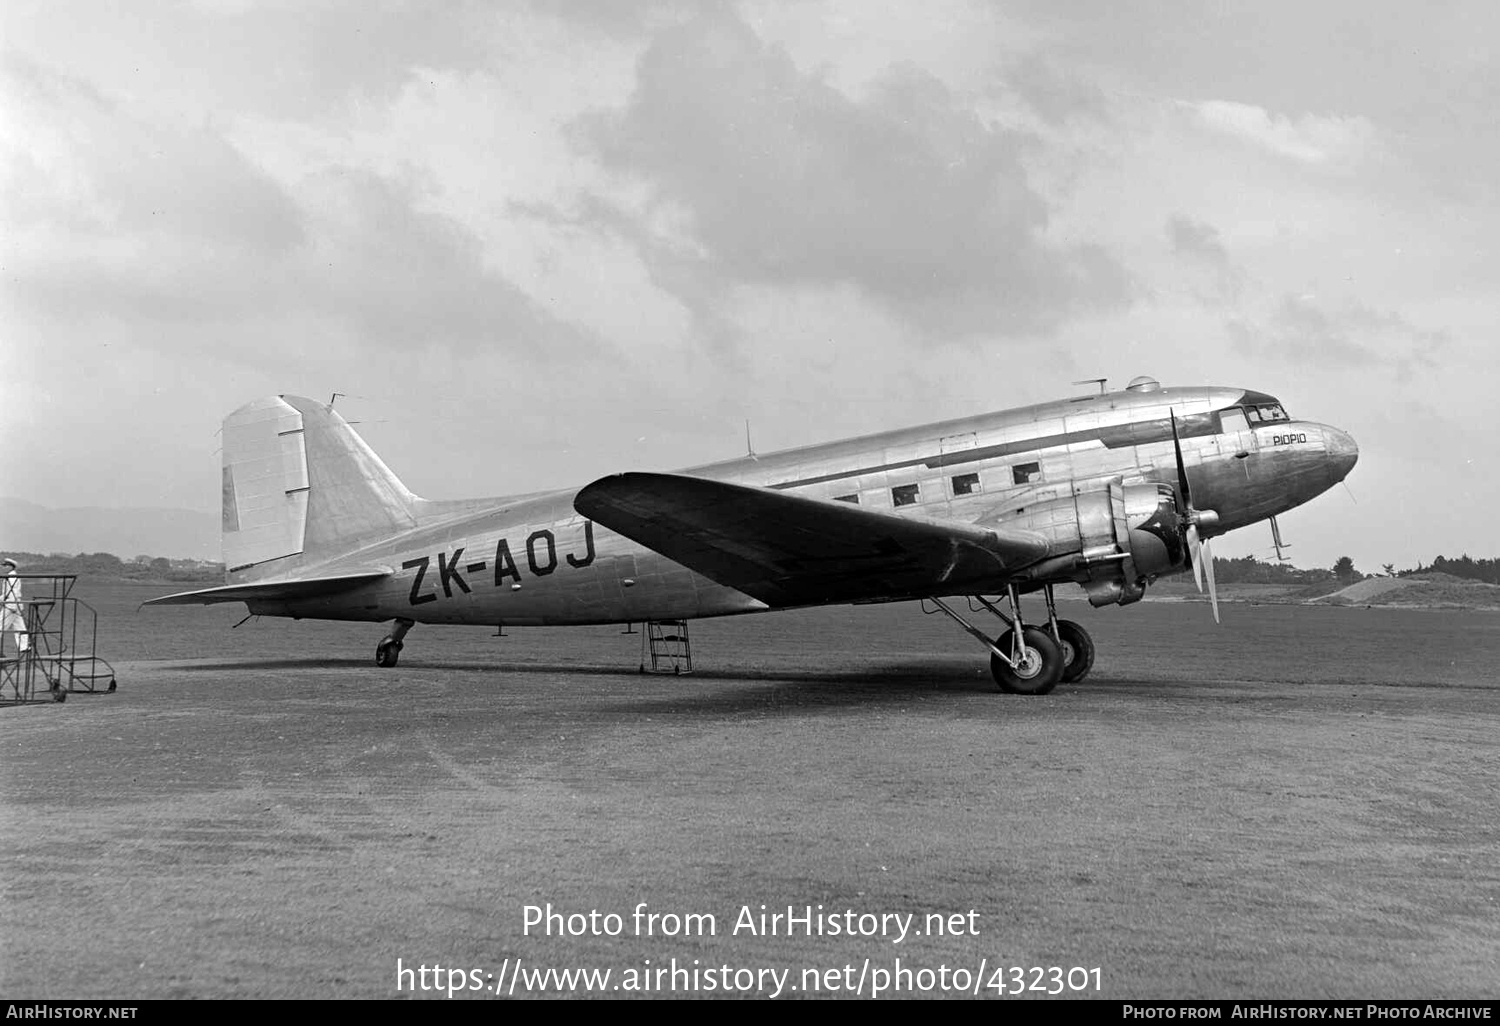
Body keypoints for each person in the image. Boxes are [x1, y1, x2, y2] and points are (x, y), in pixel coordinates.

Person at [1, 558, 28, 655]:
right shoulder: (11, 576)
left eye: (5, 566)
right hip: (14, 604)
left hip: (11, 605)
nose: (3, 567)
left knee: (0, 625)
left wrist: (12, 606)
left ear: (10, 566)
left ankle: (24, 646)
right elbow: (7, 593)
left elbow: (13, 592)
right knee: (19, 626)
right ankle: (24, 646)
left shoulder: (11, 577)